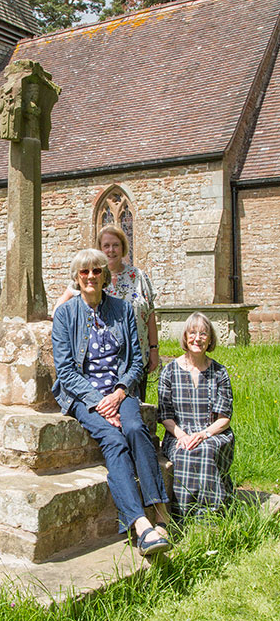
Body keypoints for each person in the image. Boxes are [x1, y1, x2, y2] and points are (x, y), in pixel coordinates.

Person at [52, 248, 171, 556]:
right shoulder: (66, 314)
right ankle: (140, 524)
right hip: (82, 395)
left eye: (96, 271)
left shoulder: (122, 309)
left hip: (120, 390)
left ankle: (160, 510)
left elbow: (135, 360)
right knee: (113, 439)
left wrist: (119, 393)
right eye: (84, 272)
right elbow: (65, 371)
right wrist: (98, 402)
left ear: (105, 275)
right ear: (76, 278)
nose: (90, 277)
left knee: (134, 428)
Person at [54, 225, 159, 401]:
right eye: (106, 246)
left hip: (135, 357)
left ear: (123, 248)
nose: (111, 250)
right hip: (102, 359)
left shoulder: (139, 276)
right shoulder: (90, 276)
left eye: (116, 245)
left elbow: (150, 314)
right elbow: (61, 306)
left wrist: (154, 349)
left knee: (134, 401)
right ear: (100, 249)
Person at [158, 312, 234, 519]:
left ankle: (212, 514)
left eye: (203, 334)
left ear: (210, 339)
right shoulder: (169, 372)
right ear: (185, 336)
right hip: (178, 433)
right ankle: (183, 514)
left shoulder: (220, 372)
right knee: (185, 452)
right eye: (192, 333)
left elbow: (224, 417)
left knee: (206, 450)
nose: (197, 339)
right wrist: (182, 435)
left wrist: (202, 435)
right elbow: (165, 414)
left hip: (212, 433)